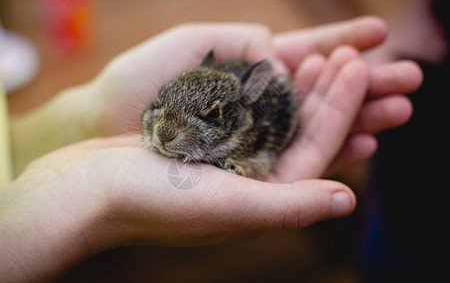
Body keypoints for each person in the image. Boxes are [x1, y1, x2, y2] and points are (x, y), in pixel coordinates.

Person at [0, 16, 422, 282]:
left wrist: (245, 167)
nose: (163, 132)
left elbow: (258, 158)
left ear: (234, 113)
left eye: (209, 117)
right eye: (160, 108)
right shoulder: (165, 124)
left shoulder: (251, 124)